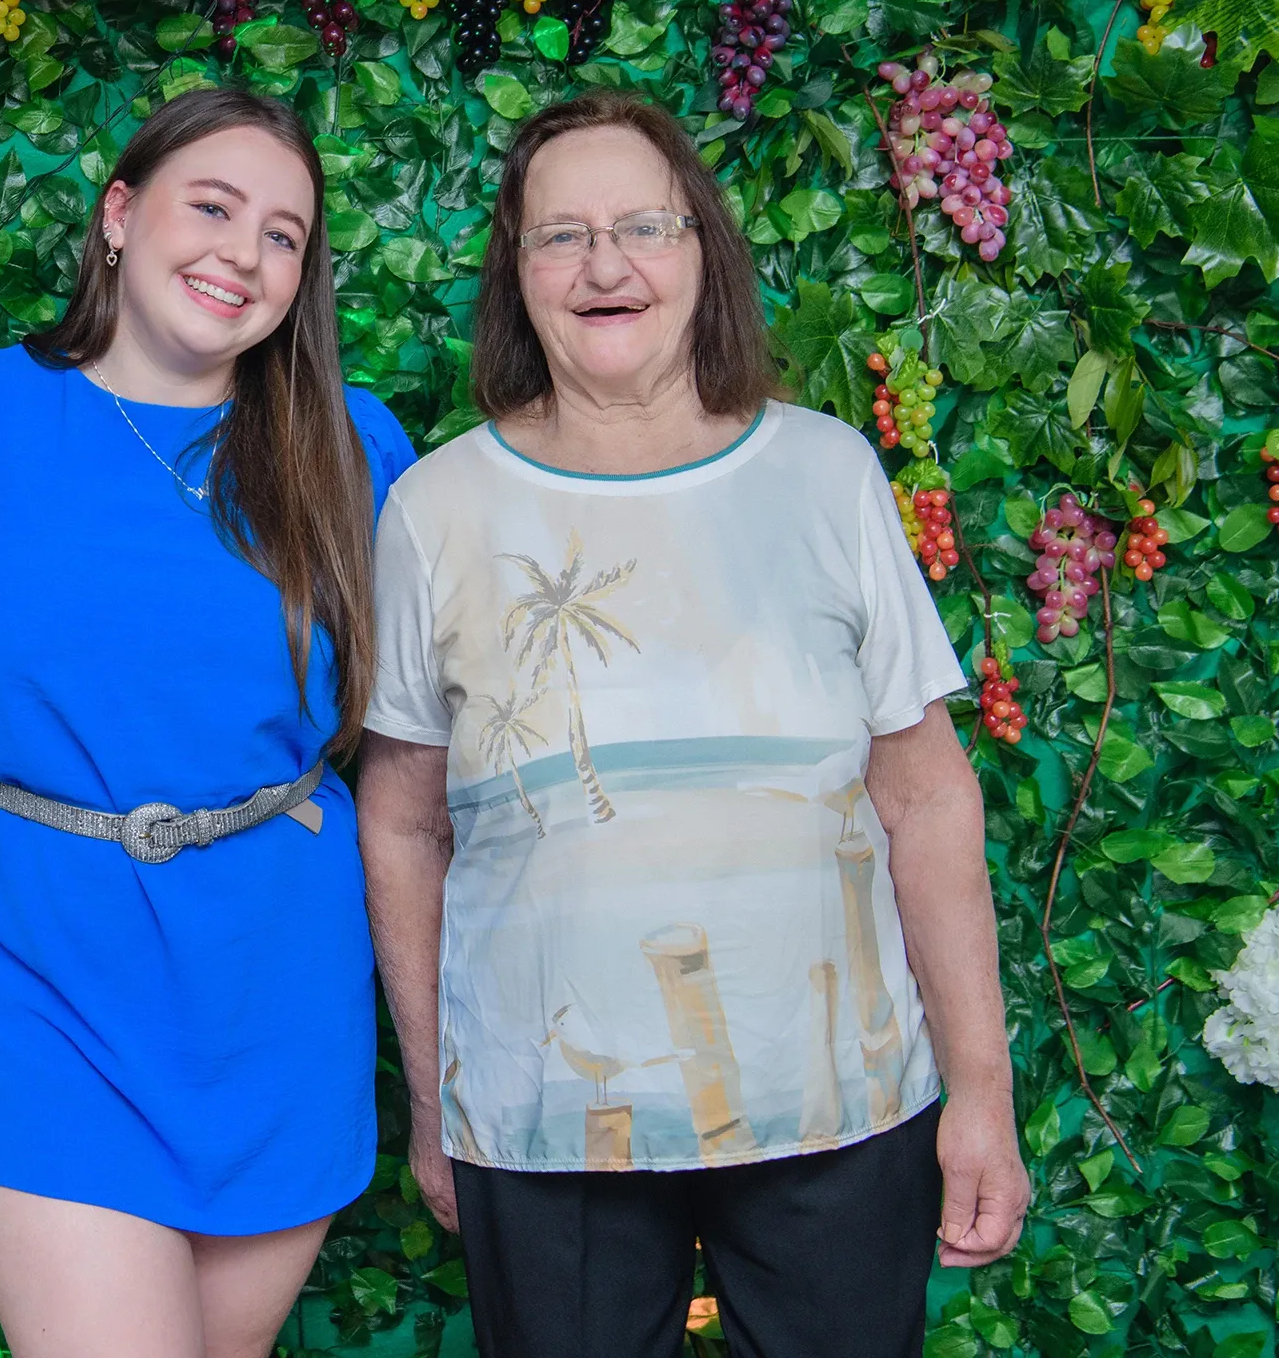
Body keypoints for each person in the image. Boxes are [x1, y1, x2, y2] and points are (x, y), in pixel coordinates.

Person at [357, 89, 1029, 1358]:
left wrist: (979, 1090)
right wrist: (437, 1096)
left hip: (838, 1108)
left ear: (700, 252)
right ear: (515, 268)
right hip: (543, 1121)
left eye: (639, 226)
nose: (602, 264)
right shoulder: (434, 509)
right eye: (560, 234)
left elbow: (928, 795)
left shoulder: (827, 473)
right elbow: (398, 822)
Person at [0, 87, 414, 1358]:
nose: (245, 252)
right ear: (120, 215)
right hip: (26, 961)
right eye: (215, 206)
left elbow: (418, 746)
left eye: (285, 235)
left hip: (270, 984)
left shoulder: (353, 448)